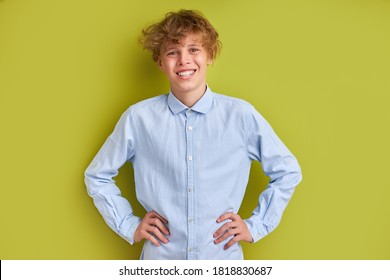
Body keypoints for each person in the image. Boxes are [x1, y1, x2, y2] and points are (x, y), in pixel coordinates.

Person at [84, 9, 302, 260]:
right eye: (172, 52)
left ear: (209, 55)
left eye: (194, 49)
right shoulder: (138, 118)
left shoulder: (241, 115)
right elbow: (97, 175)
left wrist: (257, 225)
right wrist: (128, 225)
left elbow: (288, 171)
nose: (184, 60)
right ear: (160, 62)